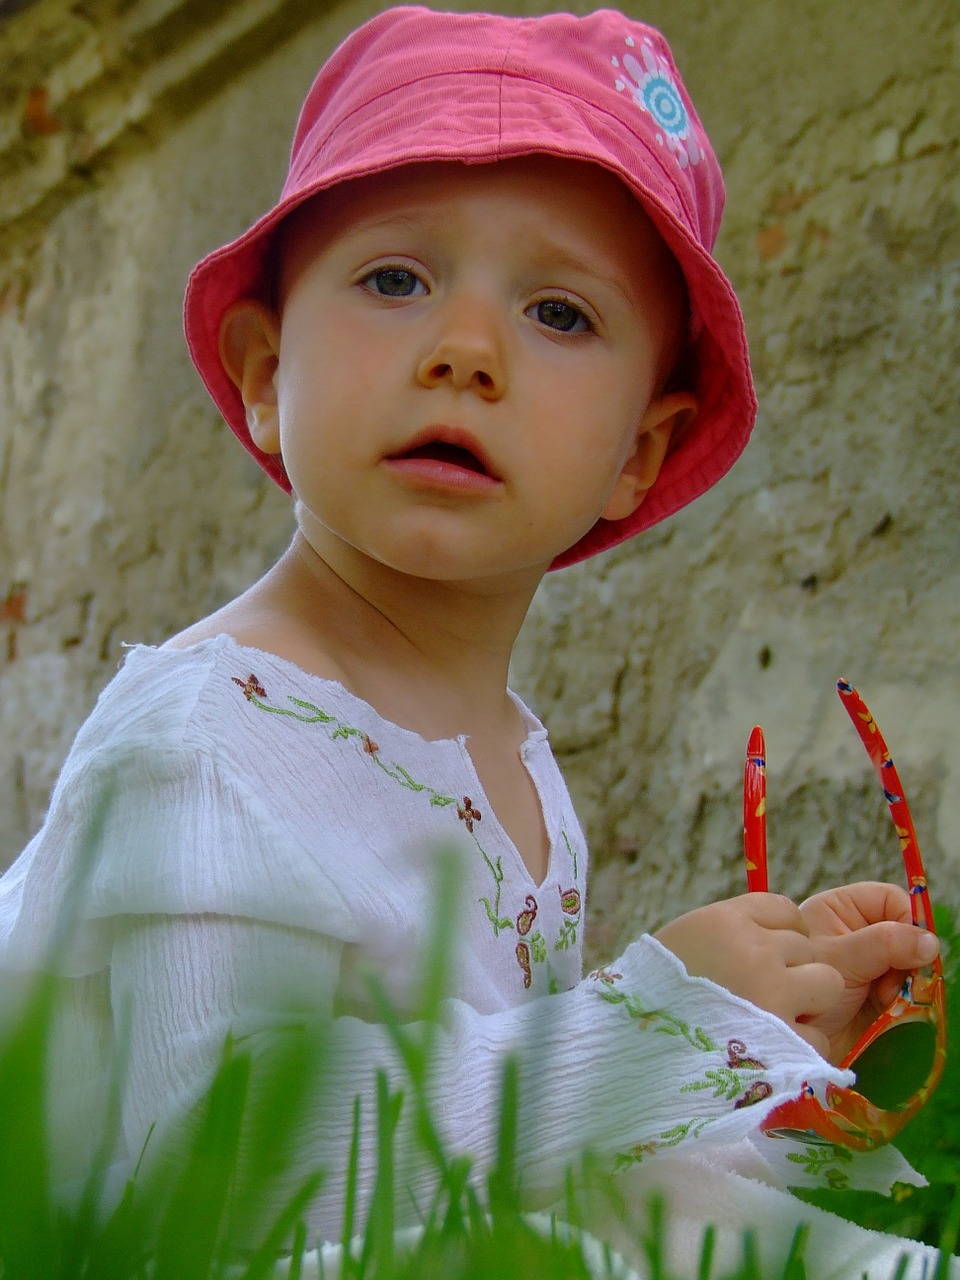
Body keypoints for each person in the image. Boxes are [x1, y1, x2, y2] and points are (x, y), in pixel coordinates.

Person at [0, 8, 951, 1277]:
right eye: (396, 279)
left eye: (559, 312)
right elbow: (203, 1169)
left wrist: (747, 1022)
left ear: (638, 454)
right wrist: (645, 1030)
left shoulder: (513, 758)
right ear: (265, 371)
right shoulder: (211, 734)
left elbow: (505, 1114)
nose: (466, 351)